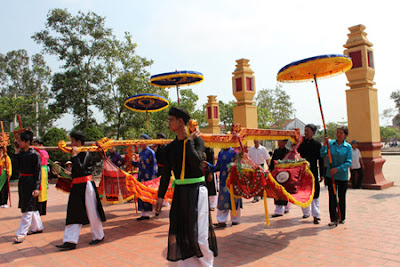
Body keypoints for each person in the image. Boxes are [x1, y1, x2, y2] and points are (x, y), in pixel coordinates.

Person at [155, 107, 217, 266]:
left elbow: (196, 162)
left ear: (180, 121)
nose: (168, 123)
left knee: (199, 234)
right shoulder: (170, 148)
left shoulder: (197, 141)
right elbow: (166, 173)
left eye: (170, 119)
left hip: (197, 191)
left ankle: (207, 264)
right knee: (181, 231)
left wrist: (188, 141)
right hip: (180, 193)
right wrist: (160, 196)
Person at [56, 131, 106, 250]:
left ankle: (98, 236)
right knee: (73, 212)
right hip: (77, 186)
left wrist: (74, 157)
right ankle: (70, 241)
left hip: (86, 185)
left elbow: (80, 170)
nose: (71, 144)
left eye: (72, 142)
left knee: (92, 212)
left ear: (78, 142)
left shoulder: (86, 153)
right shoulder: (78, 153)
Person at [13, 130, 44, 243]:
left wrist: (37, 187)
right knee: (29, 205)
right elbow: (16, 167)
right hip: (23, 181)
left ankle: (21, 233)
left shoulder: (35, 154)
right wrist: (16, 153)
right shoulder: (21, 154)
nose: (19, 142)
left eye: (21, 140)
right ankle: (37, 227)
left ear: (27, 142)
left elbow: (38, 172)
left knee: (27, 207)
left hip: (31, 181)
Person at [320, 126, 352, 227]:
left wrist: (337, 168)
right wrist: (325, 145)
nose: (338, 134)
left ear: (345, 135)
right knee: (332, 197)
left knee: (341, 197)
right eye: (337, 132)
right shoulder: (330, 144)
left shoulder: (348, 147)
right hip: (331, 176)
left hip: (342, 176)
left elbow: (348, 162)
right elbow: (322, 154)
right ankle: (333, 218)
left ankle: (341, 217)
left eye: (341, 133)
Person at [204, 147, 241, 228]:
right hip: (223, 181)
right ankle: (221, 220)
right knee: (223, 200)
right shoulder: (221, 152)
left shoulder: (235, 152)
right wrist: (208, 166)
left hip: (234, 180)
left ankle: (235, 219)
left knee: (235, 199)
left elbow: (239, 165)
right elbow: (217, 167)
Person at [298, 124, 325, 224]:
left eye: (308, 131)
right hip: (302, 171)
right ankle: (305, 212)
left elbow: (320, 160)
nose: (305, 132)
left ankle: (316, 215)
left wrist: (322, 174)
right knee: (303, 191)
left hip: (313, 170)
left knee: (315, 193)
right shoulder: (300, 144)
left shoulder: (317, 144)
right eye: (305, 130)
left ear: (313, 132)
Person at [132, 134, 158, 220]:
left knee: (147, 194)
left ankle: (147, 213)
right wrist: (132, 162)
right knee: (141, 193)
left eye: (142, 141)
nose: (140, 143)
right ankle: (143, 212)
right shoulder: (141, 153)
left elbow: (154, 166)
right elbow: (140, 164)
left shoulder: (151, 152)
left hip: (148, 177)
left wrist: (152, 179)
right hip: (141, 176)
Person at [270, 139, 291, 217]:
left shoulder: (288, 152)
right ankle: (279, 211)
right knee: (277, 192)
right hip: (277, 174)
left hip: (285, 175)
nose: (278, 143)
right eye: (278, 141)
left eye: (280, 141)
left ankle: (286, 208)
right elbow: (272, 162)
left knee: (285, 192)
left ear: (285, 142)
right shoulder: (276, 151)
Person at [33, 139, 49, 216]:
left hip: (40, 170)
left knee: (40, 189)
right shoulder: (45, 152)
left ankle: (40, 209)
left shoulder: (39, 152)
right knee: (43, 190)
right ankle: (43, 209)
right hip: (44, 170)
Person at [203, 147, 218, 211]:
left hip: (210, 169)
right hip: (202, 170)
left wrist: (211, 173)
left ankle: (212, 205)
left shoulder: (209, 149)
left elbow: (212, 161)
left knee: (212, 187)